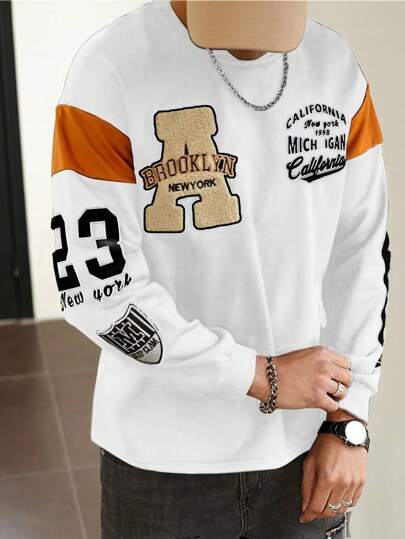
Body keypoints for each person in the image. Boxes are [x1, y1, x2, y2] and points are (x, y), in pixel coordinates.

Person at [50, 0, 390, 537]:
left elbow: (362, 256)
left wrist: (349, 418)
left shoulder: (335, 67)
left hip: (306, 447)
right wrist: (258, 375)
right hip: (162, 460)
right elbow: (98, 291)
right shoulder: (112, 69)